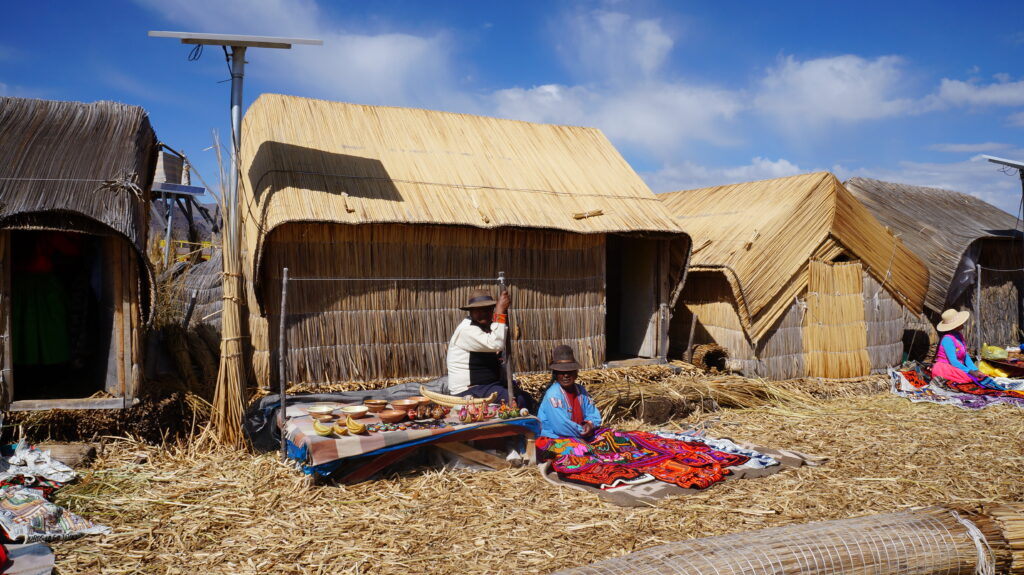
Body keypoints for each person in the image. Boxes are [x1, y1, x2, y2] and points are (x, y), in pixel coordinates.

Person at [536, 345, 749, 490]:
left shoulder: (580, 390)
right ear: (555, 373)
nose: (566, 375)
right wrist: (586, 432)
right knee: (584, 453)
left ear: (575, 372)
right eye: (561, 371)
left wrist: (591, 424)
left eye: (570, 371)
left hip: (583, 432)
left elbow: (593, 413)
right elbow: (562, 426)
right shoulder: (554, 395)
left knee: (619, 438)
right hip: (556, 438)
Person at [446, 288, 535, 410]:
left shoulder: (485, 327)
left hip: (488, 385)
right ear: (471, 311)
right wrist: (500, 312)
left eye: (488, 309)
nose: (484, 313)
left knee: (525, 398)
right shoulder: (466, 330)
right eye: (479, 310)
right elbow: (496, 343)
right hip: (469, 389)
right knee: (513, 400)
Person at [931, 308, 1006, 389]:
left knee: (979, 376)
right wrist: (971, 372)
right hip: (945, 368)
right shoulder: (947, 339)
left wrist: (975, 369)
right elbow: (953, 361)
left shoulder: (959, 336)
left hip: (956, 367)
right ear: (955, 326)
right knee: (968, 378)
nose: (963, 323)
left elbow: (965, 355)